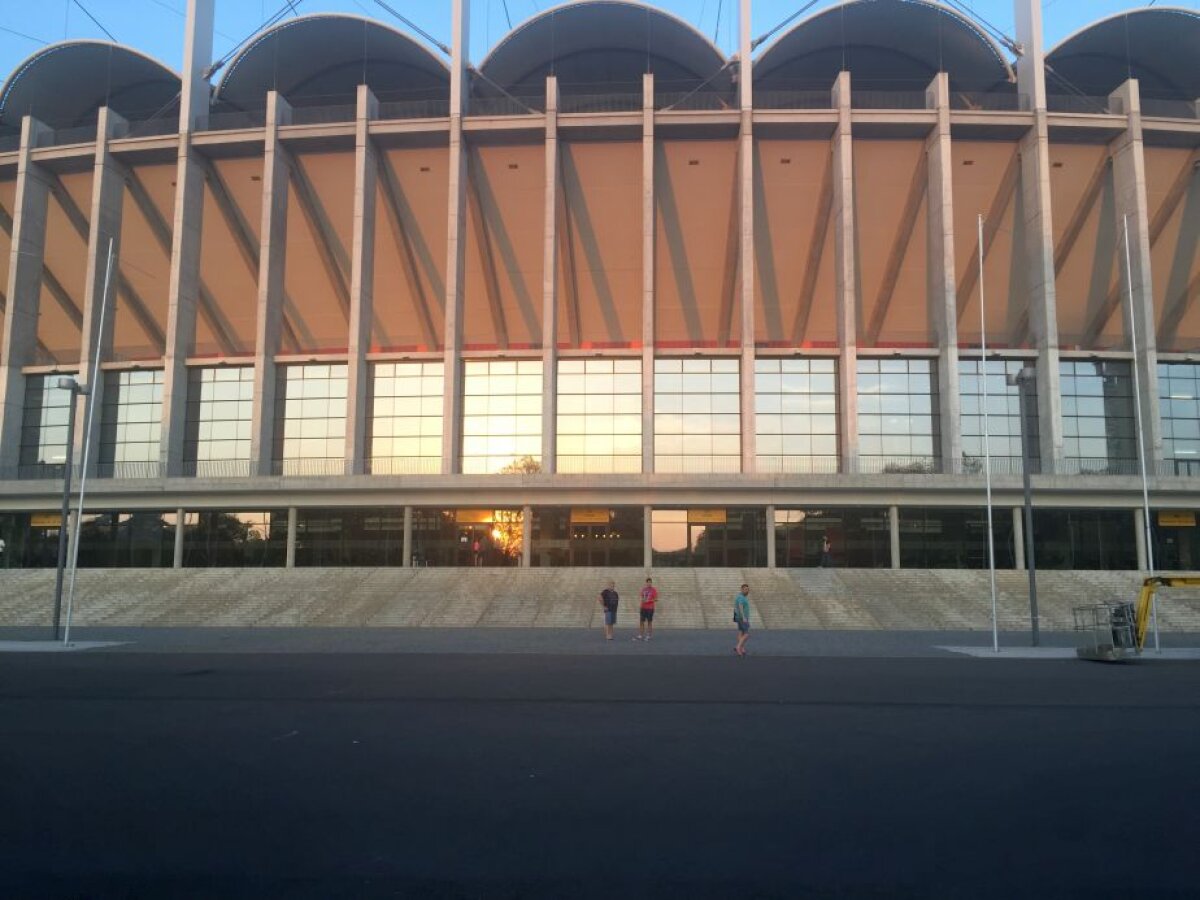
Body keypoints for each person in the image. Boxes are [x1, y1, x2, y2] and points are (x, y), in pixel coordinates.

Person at [634, 577, 658, 641]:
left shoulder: (654, 590)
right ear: (646, 583)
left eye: (650, 582)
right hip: (643, 607)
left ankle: (649, 636)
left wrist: (649, 600)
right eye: (648, 582)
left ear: (651, 583)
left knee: (649, 622)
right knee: (641, 621)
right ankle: (640, 635)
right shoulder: (643, 589)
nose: (649, 583)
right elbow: (641, 597)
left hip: (650, 608)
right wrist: (642, 600)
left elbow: (656, 599)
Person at [733, 583, 752, 657]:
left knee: (741, 632)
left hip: (739, 617)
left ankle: (741, 648)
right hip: (742, 618)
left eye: (748, 589)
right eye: (745, 589)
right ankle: (738, 647)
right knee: (746, 634)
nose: (747, 591)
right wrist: (744, 617)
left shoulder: (740, 596)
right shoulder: (741, 597)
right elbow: (740, 606)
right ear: (741, 589)